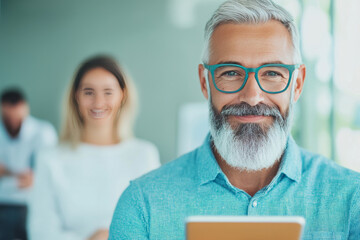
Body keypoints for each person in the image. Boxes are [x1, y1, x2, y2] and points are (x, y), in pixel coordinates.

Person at [109, 0, 360, 239]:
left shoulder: (351, 200)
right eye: (231, 73)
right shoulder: (142, 205)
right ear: (204, 82)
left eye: (272, 73)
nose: (252, 97)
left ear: (297, 84)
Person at [27, 56, 161, 240]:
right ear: (76, 96)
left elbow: (157, 227)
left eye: (108, 92)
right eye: (88, 92)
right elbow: (40, 232)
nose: (98, 103)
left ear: (122, 95)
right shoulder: (50, 158)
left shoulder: (144, 154)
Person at [0, 88, 57, 240]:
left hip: (32, 202)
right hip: (4, 203)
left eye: (16, 117)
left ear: (25, 109)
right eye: (7, 117)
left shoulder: (43, 132)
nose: (12, 122)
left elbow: (52, 171)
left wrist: (34, 178)